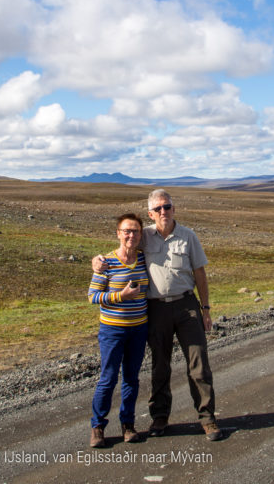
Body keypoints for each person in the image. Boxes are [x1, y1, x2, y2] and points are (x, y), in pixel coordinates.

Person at [92, 189, 223, 441]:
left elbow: (200, 274)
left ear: (174, 209)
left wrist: (205, 309)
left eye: (168, 206)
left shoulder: (188, 236)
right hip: (156, 309)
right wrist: (96, 261)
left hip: (187, 307)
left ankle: (207, 418)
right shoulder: (145, 236)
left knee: (198, 364)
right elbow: (122, 247)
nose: (164, 212)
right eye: (159, 208)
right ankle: (160, 418)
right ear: (150, 213)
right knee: (160, 365)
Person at [87, 213, 149, 448]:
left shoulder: (144, 259)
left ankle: (128, 425)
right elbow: (93, 296)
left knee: (131, 379)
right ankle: (98, 427)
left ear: (141, 235)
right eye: (126, 231)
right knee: (108, 378)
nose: (131, 235)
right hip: (112, 330)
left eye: (135, 231)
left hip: (138, 329)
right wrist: (120, 296)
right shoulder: (106, 262)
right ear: (118, 233)